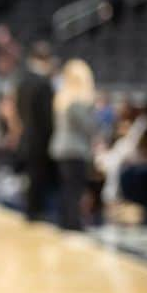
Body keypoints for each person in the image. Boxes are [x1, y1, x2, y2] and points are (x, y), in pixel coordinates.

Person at [49, 59, 98, 231]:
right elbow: (87, 126)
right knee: (74, 188)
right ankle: (72, 222)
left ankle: (65, 220)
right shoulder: (75, 102)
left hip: (61, 149)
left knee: (67, 187)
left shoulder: (61, 98)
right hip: (74, 149)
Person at [15, 40, 58, 221]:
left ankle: (30, 209)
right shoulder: (43, 84)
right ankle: (35, 211)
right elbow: (47, 116)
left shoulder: (23, 81)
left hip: (27, 133)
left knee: (31, 175)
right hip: (41, 137)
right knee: (38, 176)